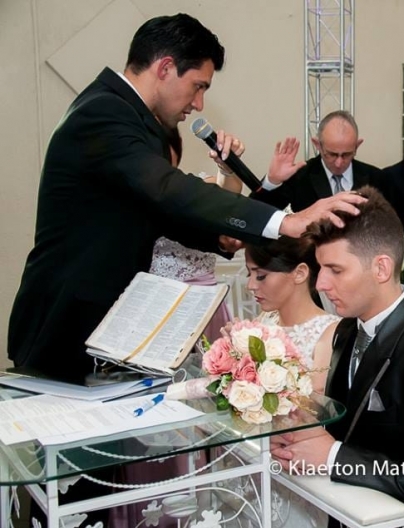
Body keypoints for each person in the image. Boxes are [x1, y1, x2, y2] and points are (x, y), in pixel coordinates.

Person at [7, 13, 363, 383]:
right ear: (165, 68)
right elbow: (167, 188)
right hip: (63, 325)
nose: (199, 103)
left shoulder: (137, 122)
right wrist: (287, 221)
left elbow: (165, 214)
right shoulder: (104, 113)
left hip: (103, 332)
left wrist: (226, 234)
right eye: (198, 86)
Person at [270, 187, 404, 528]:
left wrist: (335, 458)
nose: (320, 283)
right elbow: (347, 426)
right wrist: (303, 438)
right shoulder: (346, 330)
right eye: (320, 268)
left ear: (381, 268)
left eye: (335, 269)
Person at [245, 236, 340, 528]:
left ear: (300, 273)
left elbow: (313, 417)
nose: (251, 285)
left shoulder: (329, 333)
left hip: (293, 470)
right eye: (249, 274)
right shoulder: (261, 322)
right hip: (249, 464)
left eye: (260, 275)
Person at [148, 127, 241, 342]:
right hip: (159, 303)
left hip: (203, 303)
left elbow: (227, 193)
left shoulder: (196, 187)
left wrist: (226, 168)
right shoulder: (140, 196)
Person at [259, 110, 391, 212]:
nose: (339, 163)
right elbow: (256, 216)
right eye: (332, 154)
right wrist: (272, 181)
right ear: (317, 145)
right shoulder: (299, 177)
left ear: (357, 145)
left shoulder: (376, 179)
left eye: (346, 154)